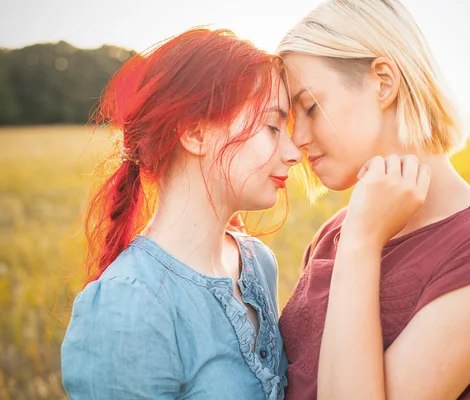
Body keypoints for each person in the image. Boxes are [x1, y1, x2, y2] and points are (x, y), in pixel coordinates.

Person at [276, 1, 470, 399]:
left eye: (311, 107)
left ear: (382, 81)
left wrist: (362, 241)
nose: (297, 139)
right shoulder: (336, 231)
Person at [61, 27, 300, 400]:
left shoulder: (257, 262)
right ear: (195, 133)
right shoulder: (129, 304)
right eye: (272, 126)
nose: (293, 152)